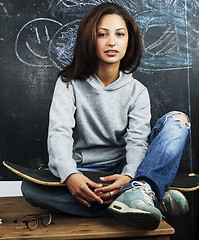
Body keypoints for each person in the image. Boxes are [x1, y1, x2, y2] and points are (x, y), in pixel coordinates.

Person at [21, 2, 190, 230]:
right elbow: (59, 134)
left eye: (120, 34)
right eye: (103, 34)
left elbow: (137, 142)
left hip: (122, 170)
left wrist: (129, 175)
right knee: (29, 190)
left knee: (178, 121)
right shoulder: (68, 84)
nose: (112, 42)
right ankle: (147, 199)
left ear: (128, 40)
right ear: (90, 39)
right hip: (85, 172)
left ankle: (140, 189)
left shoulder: (137, 91)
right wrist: (70, 175)